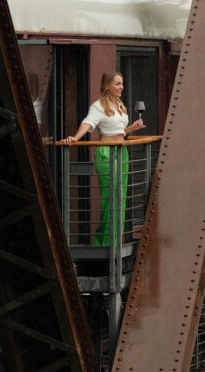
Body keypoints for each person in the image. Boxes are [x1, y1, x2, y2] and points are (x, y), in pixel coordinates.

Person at [61, 72, 145, 245]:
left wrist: (131, 129)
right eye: (118, 84)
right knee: (110, 197)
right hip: (107, 152)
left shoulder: (120, 105)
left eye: (122, 83)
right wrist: (76, 137)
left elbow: (118, 131)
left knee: (120, 198)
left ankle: (114, 241)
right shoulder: (98, 106)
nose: (121, 87)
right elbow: (88, 123)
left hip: (122, 151)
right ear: (108, 86)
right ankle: (104, 242)